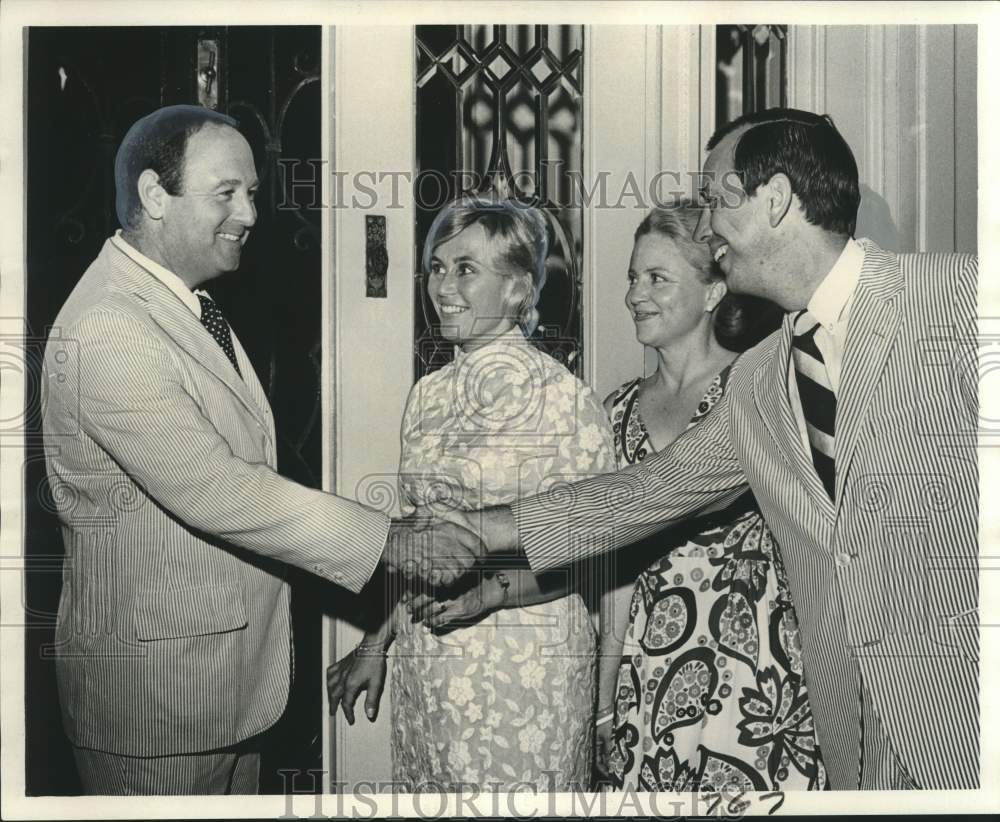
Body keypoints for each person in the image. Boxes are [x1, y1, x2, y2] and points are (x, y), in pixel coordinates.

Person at [429, 108, 979, 790]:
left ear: (774, 200)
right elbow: (646, 493)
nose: (704, 227)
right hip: (856, 744)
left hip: (968, 719)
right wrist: (484, 529)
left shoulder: (961, 300)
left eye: (716, 199)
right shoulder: (758, 380)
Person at [40, 105, 477, 795]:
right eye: (227, 194)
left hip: (216, 691)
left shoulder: (183, 304)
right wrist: (392, 540)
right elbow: (220, 488)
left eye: (252, 193)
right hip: (156, 711)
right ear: (155, 195)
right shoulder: (110, 328)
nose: (250, 214)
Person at [326, 196, 615, 790]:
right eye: (436, 266)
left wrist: (493, 593)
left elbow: (597, 556)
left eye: (465, 269)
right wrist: (376, 642)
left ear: (519, 289)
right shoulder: (428, 394)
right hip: (431, 663)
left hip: (526, 664)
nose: (442, 286)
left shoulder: (565, 398)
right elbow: (415, 538)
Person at [593, 203, 824, 792]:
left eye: (657, 278)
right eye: (632, 277)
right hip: (648, 680)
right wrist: (602, 699)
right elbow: (613, 572)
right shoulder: (611, 414)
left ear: (714, 291)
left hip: (754, 674)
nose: (634, 296)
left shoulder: (760, 386)